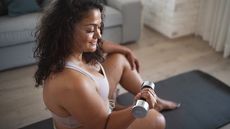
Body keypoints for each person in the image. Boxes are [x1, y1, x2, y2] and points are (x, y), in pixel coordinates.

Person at [34, 0, 180, 129]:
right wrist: (136, 109)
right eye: (90, 30)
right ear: (66, 31)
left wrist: (126, 50)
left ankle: (154, 102)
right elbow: (104, 125)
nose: (98, 35)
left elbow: (101, 44)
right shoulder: (72, 83)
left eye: (99, 27)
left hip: (94, 107)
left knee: (119, 58)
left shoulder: (68, 50)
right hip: (100, 124)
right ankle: (116, 108)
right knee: (157, 120)